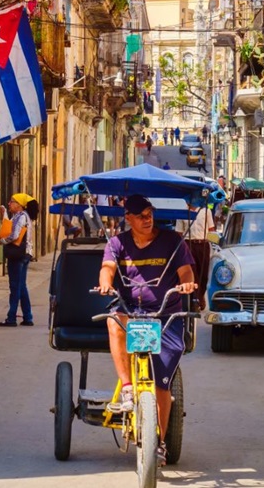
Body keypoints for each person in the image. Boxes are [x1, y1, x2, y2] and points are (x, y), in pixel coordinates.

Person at [95, 195, 196, 465]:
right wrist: (105, 282)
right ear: (128, 218)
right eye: (140, 215)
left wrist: (187, 284)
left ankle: (160, 443)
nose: (147, 218)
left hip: (166, 316)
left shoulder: (173, 241)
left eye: (149, 213)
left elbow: (186, 272)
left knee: (162, 384)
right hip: (132, 311)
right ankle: (127, 387)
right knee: (113, 320)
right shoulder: (117, 243)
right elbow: (107, 268)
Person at [0, 193, 41, 327]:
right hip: (25, 254)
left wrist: (2, 241)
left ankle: (11, 318)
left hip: (17, 255)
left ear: (19, 205)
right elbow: (9, 226)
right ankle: (27, 317)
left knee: (15, 286)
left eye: (12, 202)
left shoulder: (21, 217)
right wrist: (4, 214)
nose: (10, 203)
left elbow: (14, 235)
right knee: (22, 286)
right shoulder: (22, 216)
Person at [174, 203, 216, 308]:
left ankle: (200, 296)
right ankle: (196, 300)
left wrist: (215, 244)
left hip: (203, 244)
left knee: (204, 273)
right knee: (193, 272)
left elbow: (212, 230)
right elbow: (179, 232)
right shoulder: (182, 213)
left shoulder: (206, 211)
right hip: (188, 244)